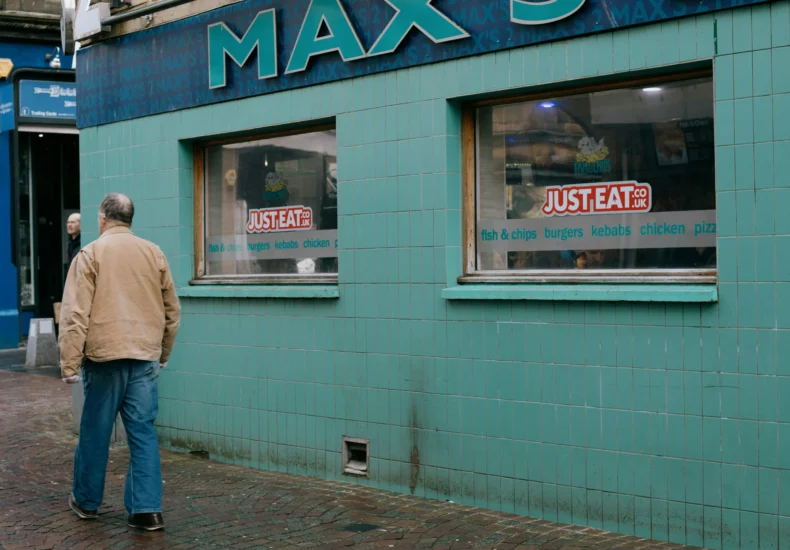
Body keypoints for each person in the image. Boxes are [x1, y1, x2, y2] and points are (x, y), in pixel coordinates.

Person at [59, 194, 181, 531]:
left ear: (101, 218)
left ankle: (86, 502)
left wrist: (69, 364)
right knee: (143, 433)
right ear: (130, 218)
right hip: (144, 357)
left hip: (104, 357)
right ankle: (146, 510)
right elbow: (172, 310)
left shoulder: (90, 254)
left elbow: (75, 314)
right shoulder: (153, 253)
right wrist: (164, 353)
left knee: (96, 432)